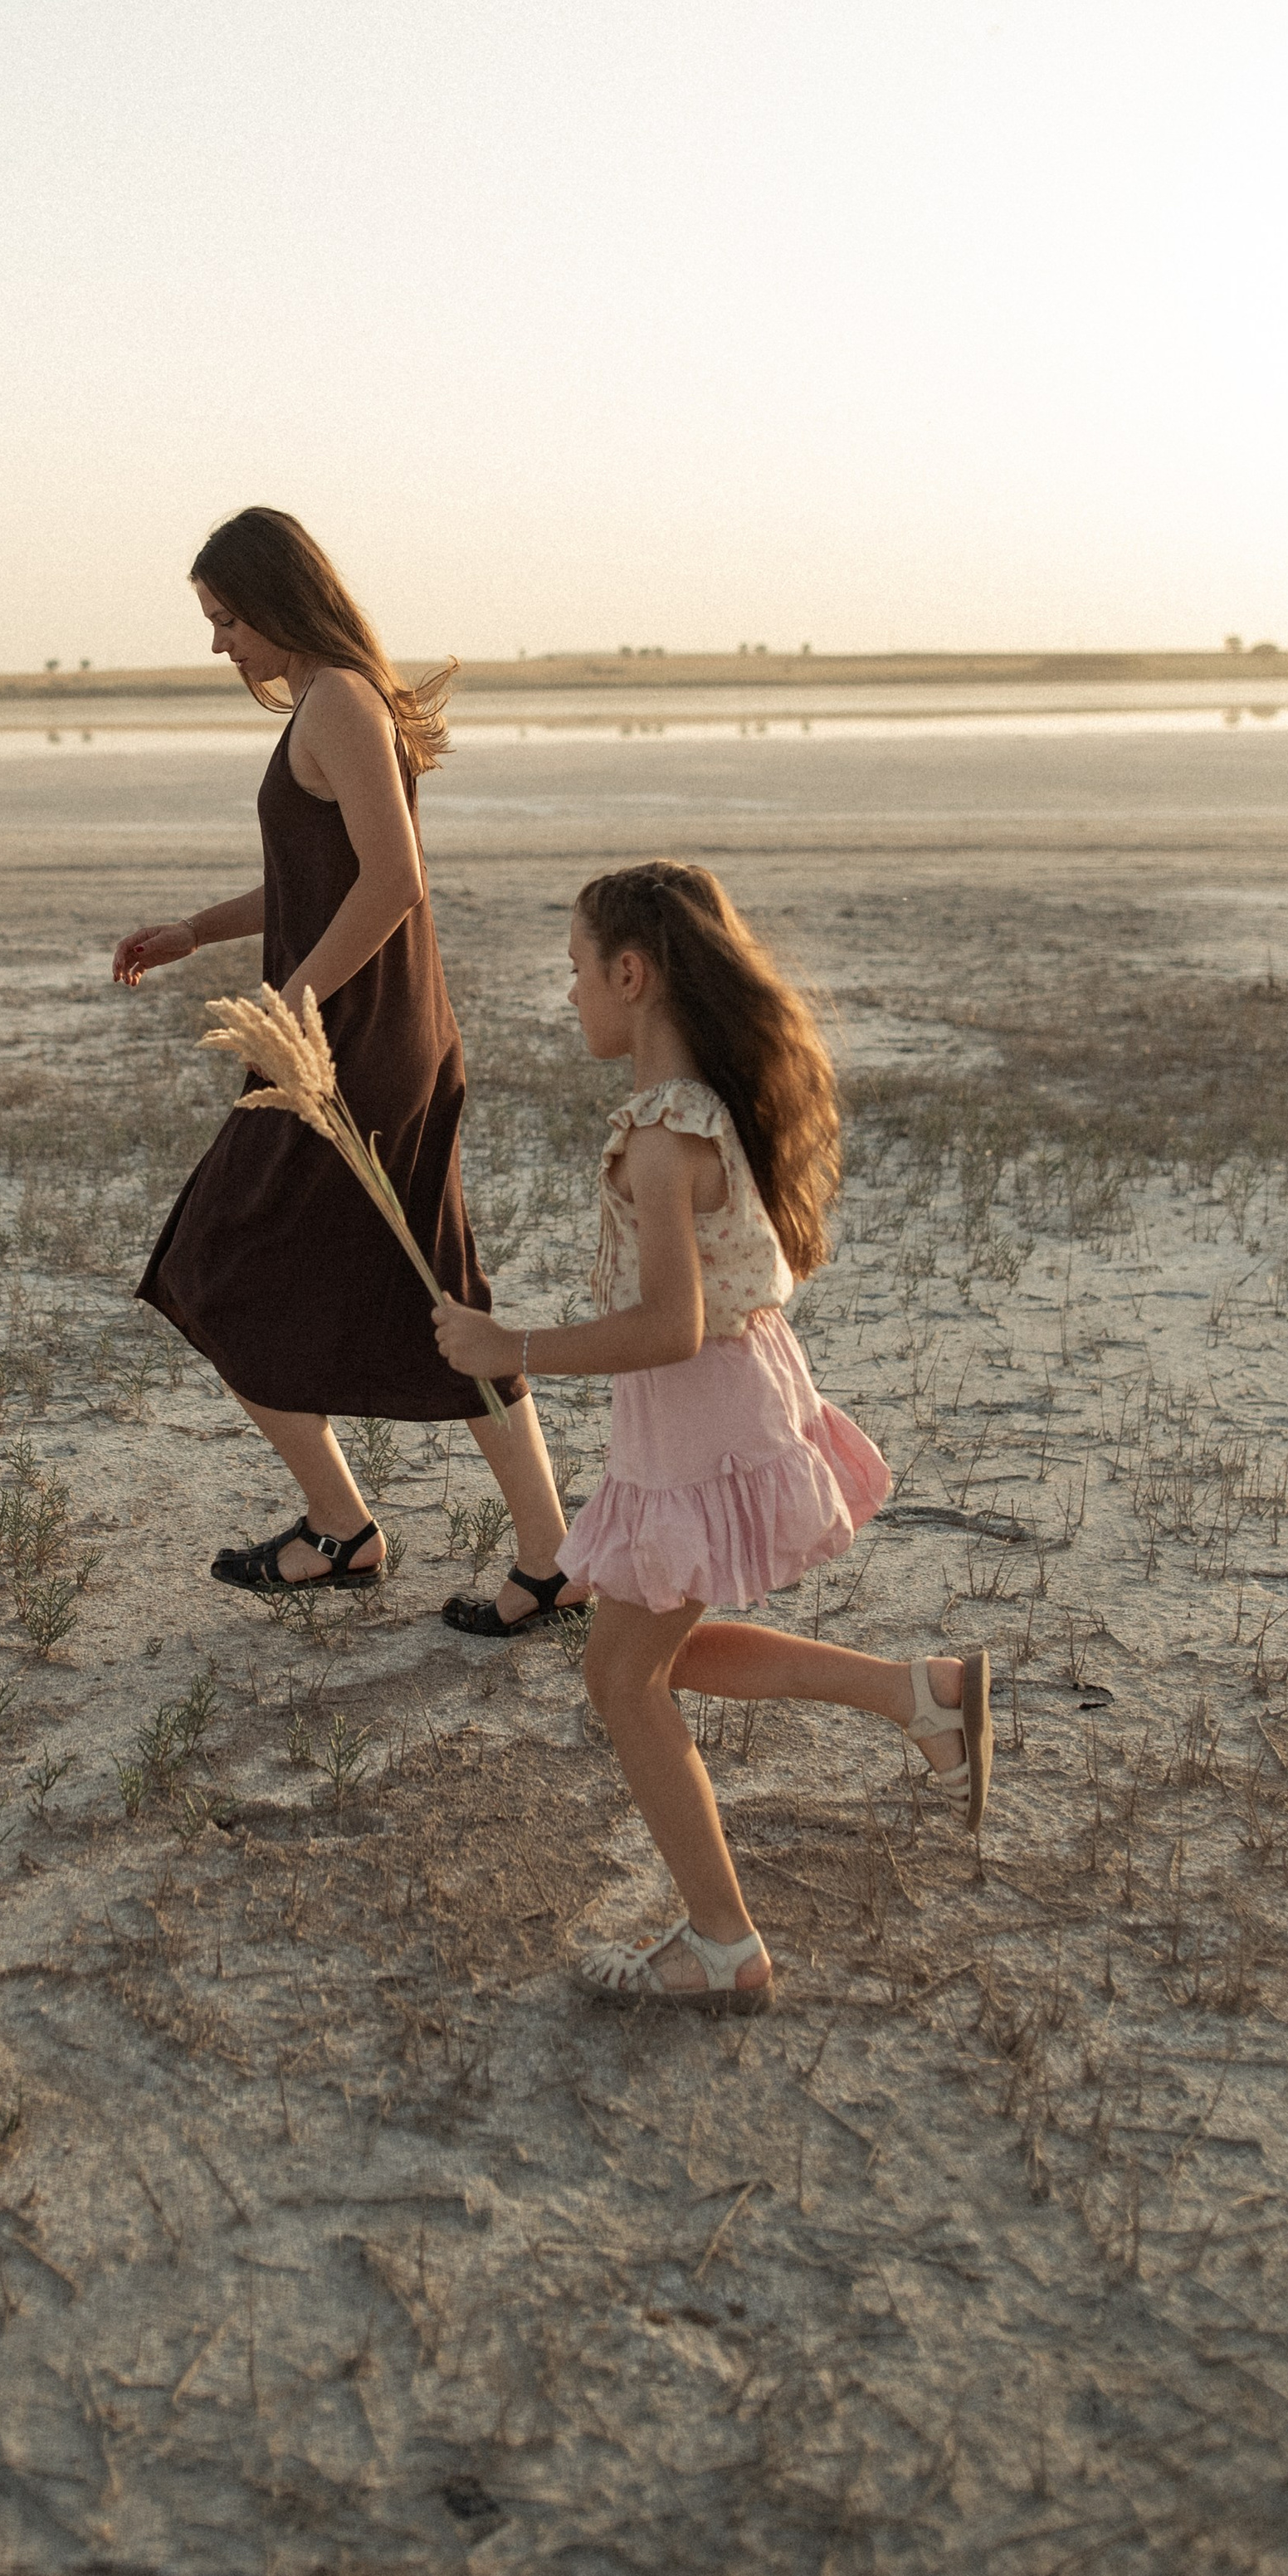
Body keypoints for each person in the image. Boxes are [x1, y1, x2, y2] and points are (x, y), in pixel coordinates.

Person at [432, 859, 993, 2011]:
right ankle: (921, 1696)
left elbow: (666, 1324)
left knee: (621, 1679)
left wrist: (513, 1347)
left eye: (578, 971)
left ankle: (723, 1947)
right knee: (652, 1656)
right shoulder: (696, 1108)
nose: (572, 994)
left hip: (700, 1418)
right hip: (722, 1402)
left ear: (631, 974)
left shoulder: (660, 1134)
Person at [114, 506, 587, 1628]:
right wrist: (199, 930)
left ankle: (354, 1531)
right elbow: (324, 882)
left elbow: (395, 883)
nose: (220, 644)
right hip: (356, 1039)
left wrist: (293, 1003)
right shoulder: (332, 706)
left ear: (277, 603)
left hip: (358, 1052)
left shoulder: (339, 703)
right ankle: (498, 1549)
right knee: (432, 1296)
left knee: (215, 1265)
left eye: (227, 619)